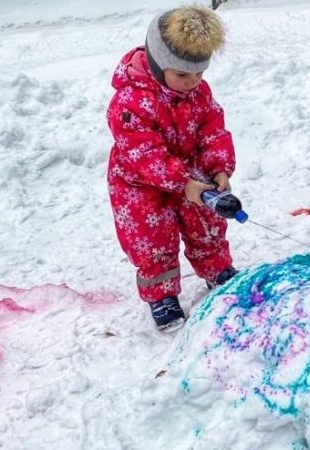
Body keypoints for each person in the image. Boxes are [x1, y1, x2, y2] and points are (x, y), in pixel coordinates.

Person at [106, 5, 238, 332]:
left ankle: (217, 270)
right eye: (182, 74)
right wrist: (182, 182)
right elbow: (143, 152)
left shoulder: (197, 91)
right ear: (156, 62)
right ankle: (162, 294)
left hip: (191, 173)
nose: (192, 82)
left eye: (199, 74)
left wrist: (219, 168)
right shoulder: (129, 102)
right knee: (153, 241)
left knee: (206, 225)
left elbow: (212, 129)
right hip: (141, 185)